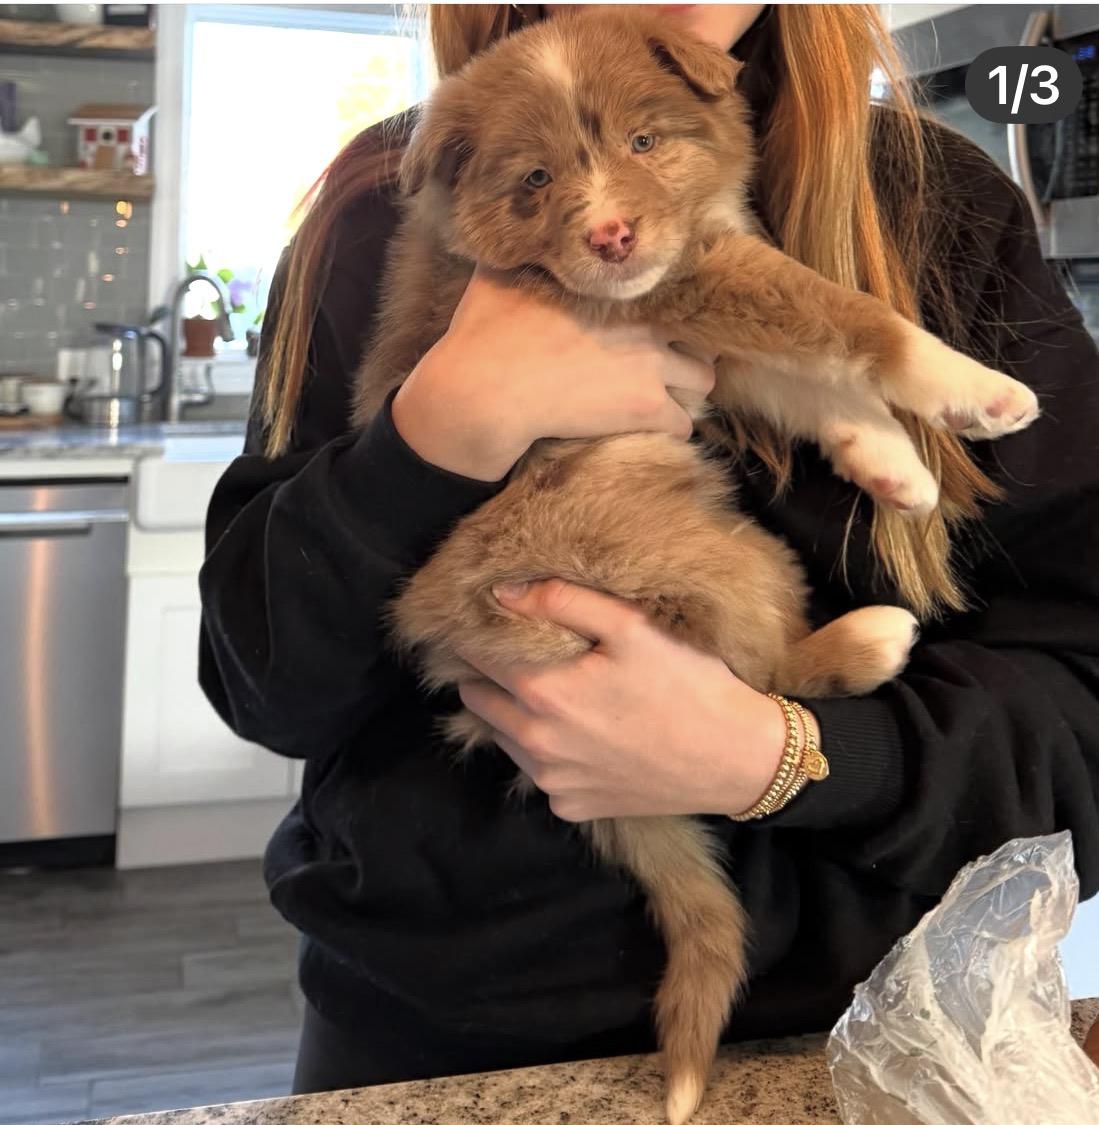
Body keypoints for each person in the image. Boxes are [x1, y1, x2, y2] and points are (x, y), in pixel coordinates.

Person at [198, 2, 1099, 1096]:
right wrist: (432, 435)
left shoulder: (943, 207)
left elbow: (1081, 710)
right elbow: (260, 682)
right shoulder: (383, 197)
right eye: (537, 182)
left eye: (643, 145)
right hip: (432, 1050)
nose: (601, 208)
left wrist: (779, 754)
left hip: (895, 1036)